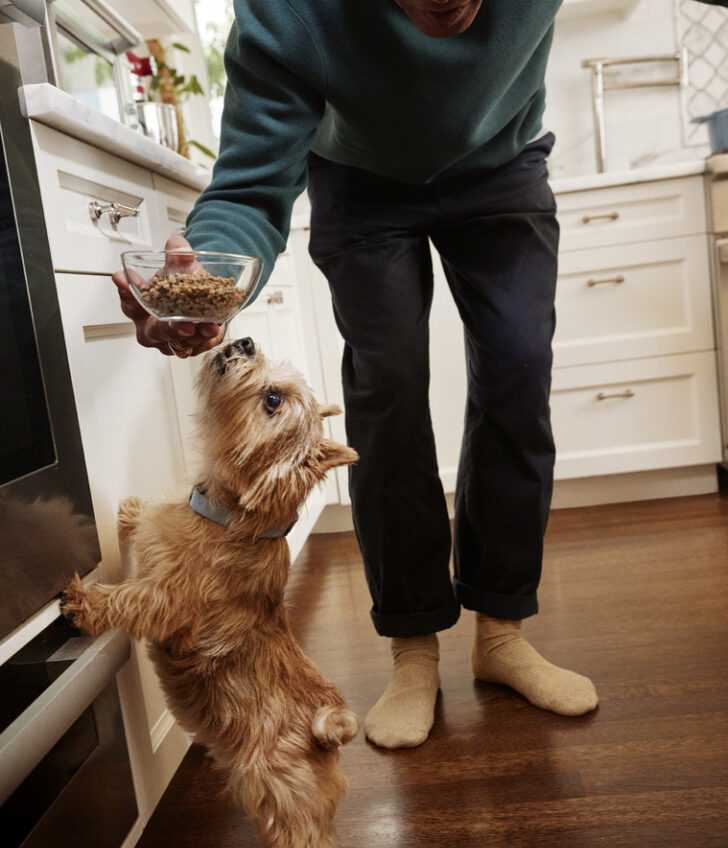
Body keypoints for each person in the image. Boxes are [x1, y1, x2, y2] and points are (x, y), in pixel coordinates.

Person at [114, 0, 726, 750]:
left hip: (503, 167)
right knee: (387, 393)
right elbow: (247, 189)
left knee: (518, 369)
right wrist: (203, 284)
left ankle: (501, 636)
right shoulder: (287, 12)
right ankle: (414, 651)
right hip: (359, 183)